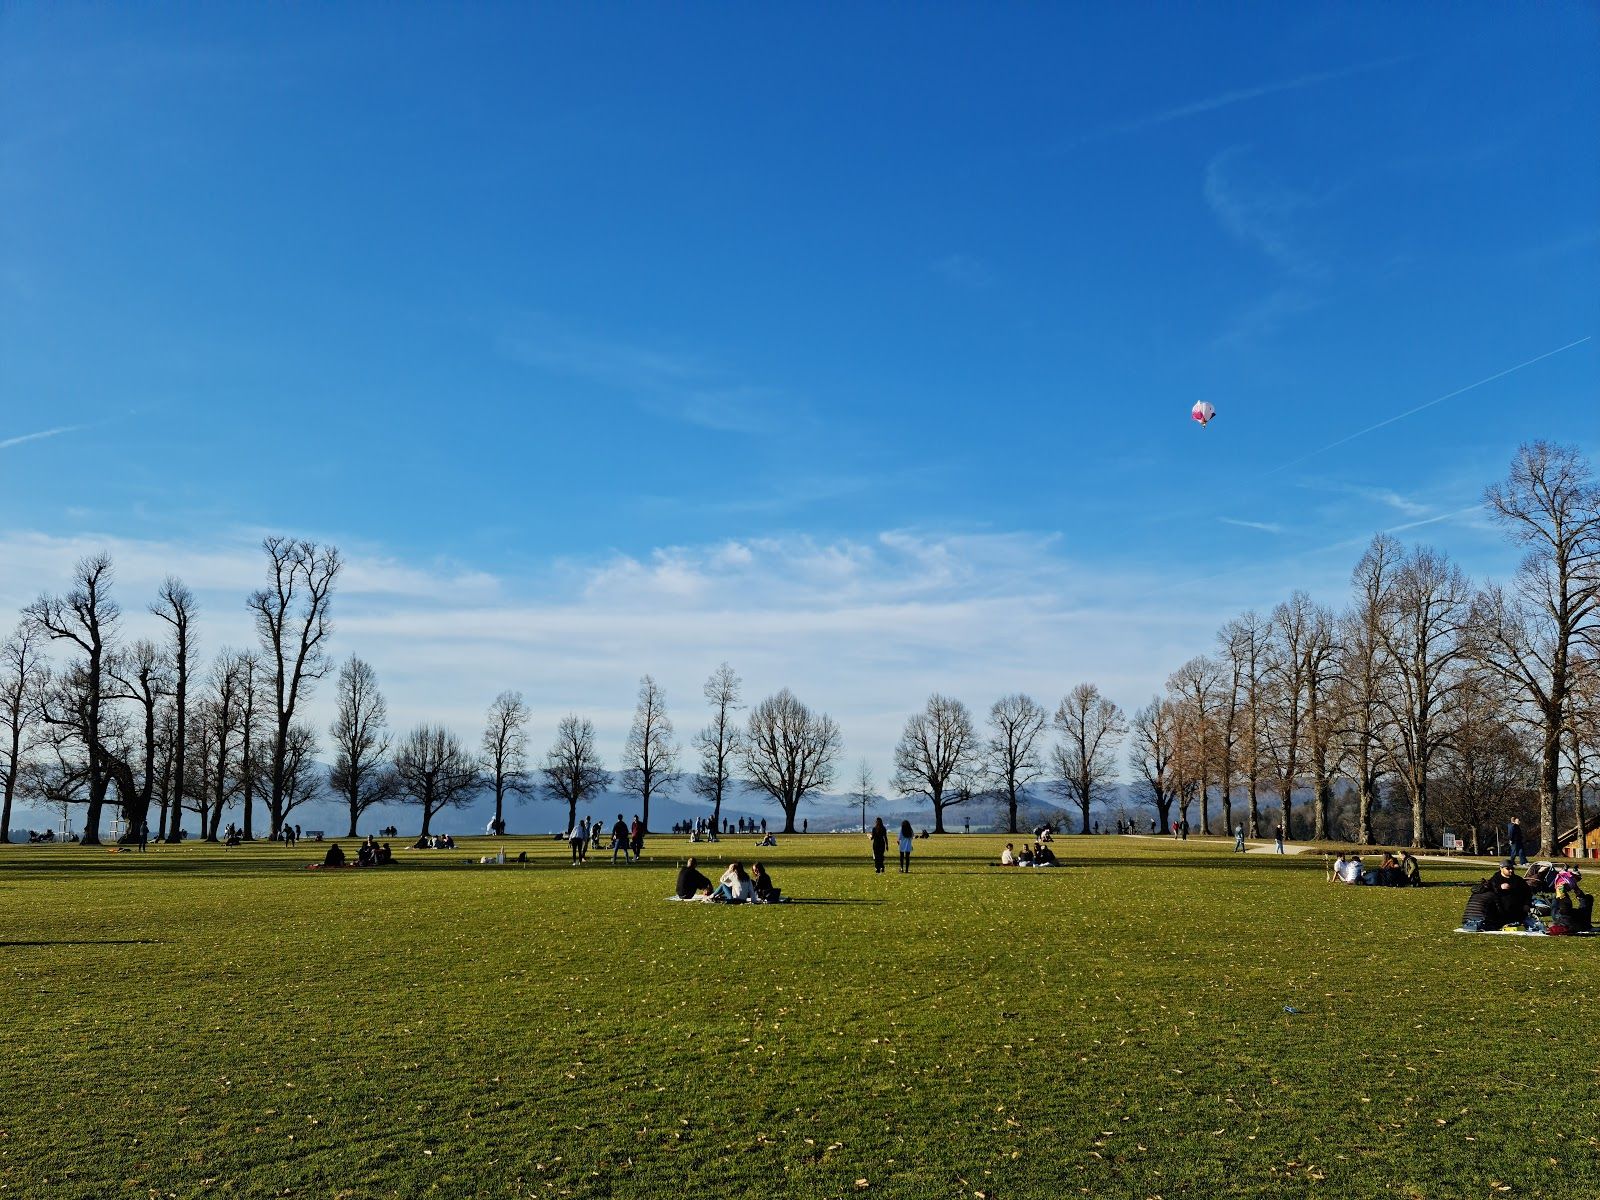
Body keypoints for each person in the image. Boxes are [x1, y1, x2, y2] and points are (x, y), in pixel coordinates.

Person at [1483, 858, 1536, 930]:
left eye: (1512, 868)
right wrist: (1499, 887)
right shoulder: (1495, 880)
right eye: (1508, 868)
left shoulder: (1519, 880)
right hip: (1500, 911)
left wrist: (1527, 904)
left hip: (1517, 911)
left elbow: (1528, 893)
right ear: (1501, 868)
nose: (1511, 870)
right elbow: (1488, 893)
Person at [1549, 869, 1592, 935]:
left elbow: (1564, 907)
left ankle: (1559, 894)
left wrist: (1560, 890)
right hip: (1579, 922)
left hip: (1565, 917)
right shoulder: (1584, 920)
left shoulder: (1565, 913)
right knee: (1585, 901)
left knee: (1562, 904)